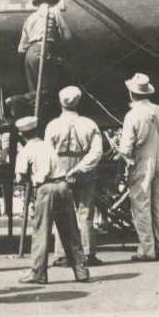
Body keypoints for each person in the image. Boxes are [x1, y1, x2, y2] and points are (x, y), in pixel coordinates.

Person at [15, 115, 90, 284]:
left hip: (45, 189)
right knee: (70, 231)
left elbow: (19, 178)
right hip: (63, 186)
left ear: (21, 135)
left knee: (41, 232)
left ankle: (38, 273)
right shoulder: (48, 146)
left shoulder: (25, 151)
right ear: (37, 131)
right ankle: (81, 271)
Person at [44, 86, 105, 266]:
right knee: (85, 212)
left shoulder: (53, 125)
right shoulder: (90, 124)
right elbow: (97, 152)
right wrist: (80, 168)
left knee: (61, 212)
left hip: (59, 169)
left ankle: (63, 255)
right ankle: (87, 253)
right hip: (84, 169)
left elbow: (47, 153)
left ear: (60, 102)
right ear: (78, 101)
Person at [118, 73, 159, 261]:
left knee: (141, 206)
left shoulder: (132, 115)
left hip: (142, 160)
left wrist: (126, 160)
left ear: (131, 94)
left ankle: (147, 250)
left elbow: (126, 147)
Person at [18, 0, 71, 95]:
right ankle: (17, 100)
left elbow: (21, 49)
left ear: (38, 4)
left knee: (34, 90)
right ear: (51, 2)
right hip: (43, 50)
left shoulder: (30, 18)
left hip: (29, 54)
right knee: (46, 89)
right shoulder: (53, 12)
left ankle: (26, 105)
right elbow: (67, 36)